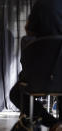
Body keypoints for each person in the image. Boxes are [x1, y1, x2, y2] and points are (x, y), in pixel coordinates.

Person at [10, 0, 62, 130]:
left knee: (16, 93)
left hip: (39, 78)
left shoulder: (41, 5)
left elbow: (29, 30)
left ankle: (52, 123)